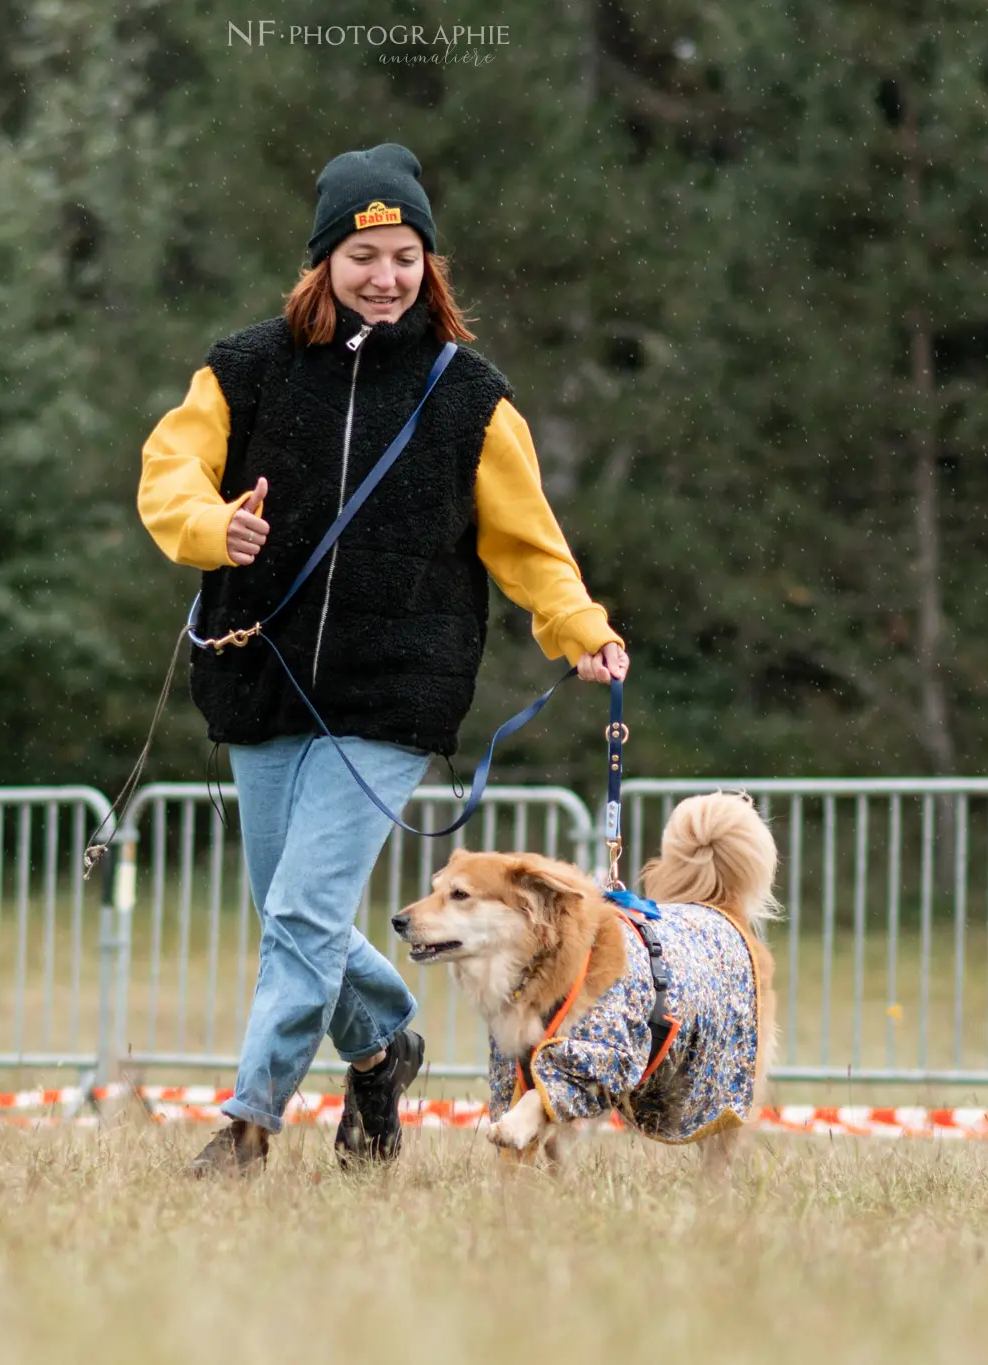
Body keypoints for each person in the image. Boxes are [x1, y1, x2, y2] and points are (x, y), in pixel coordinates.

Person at [137, 142, 629, 1176]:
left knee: (304, 913)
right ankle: (381, 1043)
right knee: (286, 911)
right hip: (260, 676)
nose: (384, 275)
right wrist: (205, 526)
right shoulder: (243, 369)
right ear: (323, 262)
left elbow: (524, 540)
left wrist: (577, 627)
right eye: (363, 255)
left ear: (427, 265)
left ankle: (248, 1122)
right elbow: (166, 471)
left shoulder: (468, 395)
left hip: (393, 693)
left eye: (404, 254)